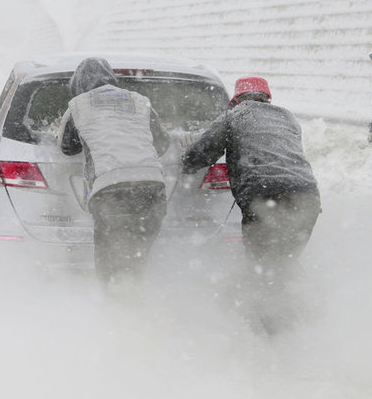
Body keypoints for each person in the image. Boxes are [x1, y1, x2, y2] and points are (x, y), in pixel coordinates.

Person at [182, 76, 320, 301]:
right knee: (285, 262)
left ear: (236, 100)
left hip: (264, 196)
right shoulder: (288, 117)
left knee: (262, 267)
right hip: (306, 197)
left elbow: (200, 154)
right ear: (267, 98)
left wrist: (187, 160)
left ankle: (265, 315)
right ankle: (302, 309)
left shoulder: (235, 115)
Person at [59, 57, 170, 285]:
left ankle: (114, 300)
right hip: (153, 190)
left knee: (109, 261)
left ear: (77, 84)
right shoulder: (140, 101)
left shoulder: (78, 105)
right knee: (137, 259)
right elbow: (162, 144)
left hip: (111, 191)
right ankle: (135, 298)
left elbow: (67, 148)